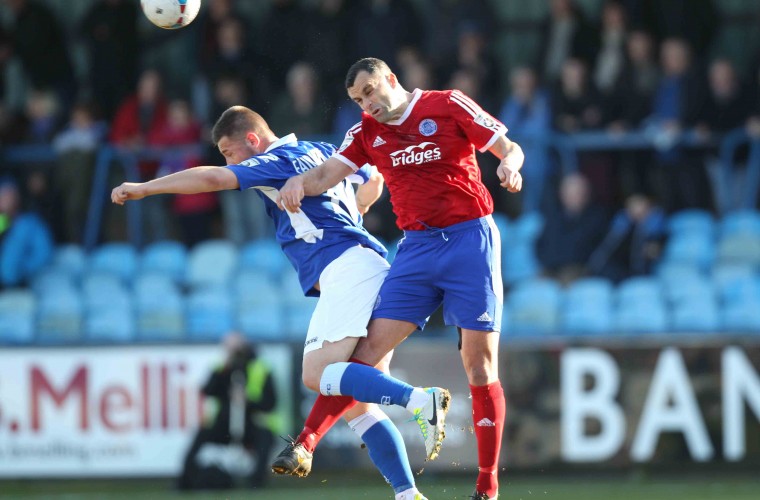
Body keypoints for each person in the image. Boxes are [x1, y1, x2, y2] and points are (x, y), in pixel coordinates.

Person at [111, 105, 443, 500]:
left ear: (251, 139)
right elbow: (373, 178)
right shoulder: (319, 150)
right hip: (366, 262)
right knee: (355, 402)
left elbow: (213, 178)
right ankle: (408, 495)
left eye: (229, 151)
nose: (228, 161)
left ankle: (420, 400)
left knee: (316, 374)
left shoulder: (274, 160)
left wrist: (147, 188)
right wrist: (361, 206)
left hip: (347, 267)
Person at [277, 57, 525, 500]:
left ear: (391, 79)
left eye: (370, 91)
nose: (367, 104)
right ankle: (307, 442)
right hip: (417, 249)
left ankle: (487, 486)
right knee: (366, 354)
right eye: (357, 99)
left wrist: (509, 165)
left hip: (471, 239)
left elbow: (509, 146)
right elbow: (327, 174)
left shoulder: (448, 104)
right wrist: (299, 183)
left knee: (479, 364)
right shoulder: (366, 133)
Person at [177, 332, 277, 490]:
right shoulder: (220, 367)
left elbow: (271, 403)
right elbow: (207, 391)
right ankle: (184, 482)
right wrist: (224, 369)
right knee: (201, 435)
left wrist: (248, 400)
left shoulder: (261, 368)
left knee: (265, 437)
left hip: (251, 421)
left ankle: (256, 483)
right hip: (223, 422)